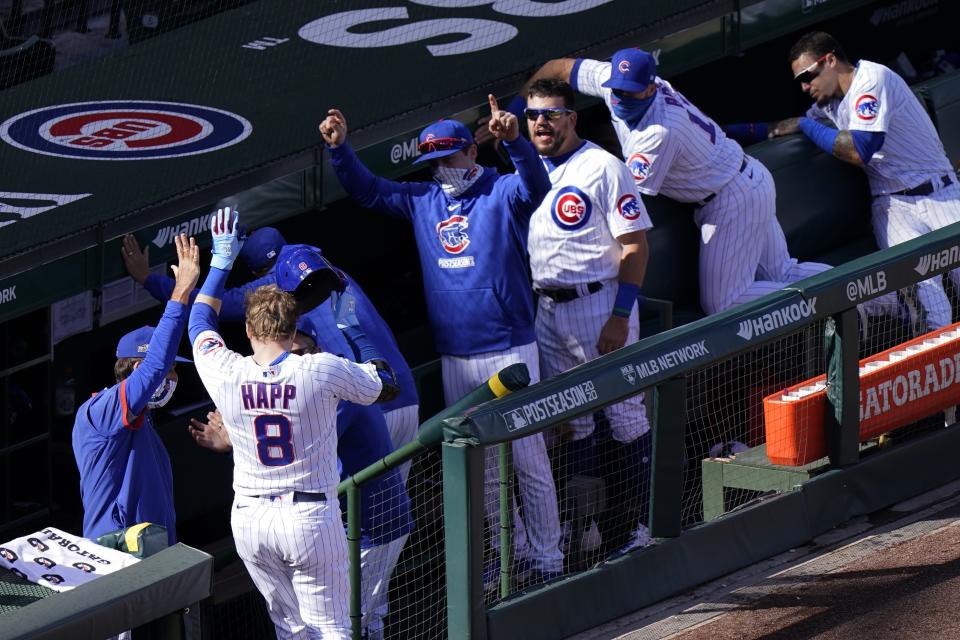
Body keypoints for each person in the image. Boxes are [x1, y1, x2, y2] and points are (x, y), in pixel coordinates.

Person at [320, 100, 564, 582]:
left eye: (448, 158)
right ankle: (506, 557)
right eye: (433, 162)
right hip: (455, 355)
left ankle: (549, 559)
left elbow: (538, 186)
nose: (441, 170)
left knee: (529, 459)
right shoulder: (421, 198)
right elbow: (367, 191)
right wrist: (340, 150)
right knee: (486, 469)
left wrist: (514, 141)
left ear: (473, 152)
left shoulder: (502, 190)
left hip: (509, 347)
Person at [188, 207, 395, 639]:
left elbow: (198, 321)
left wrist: (221, 261)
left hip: (249, 520)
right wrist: (351, 325)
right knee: (333, 629)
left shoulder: (227, 370)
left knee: (291, 632)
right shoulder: (318, 368)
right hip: (309, 517)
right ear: (293, 326)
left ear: (247, 329)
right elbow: (386, 384)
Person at [524, 48, 836, 315]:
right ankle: (856, 297)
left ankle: (838, 300)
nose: (619, 97)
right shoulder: (612, 82)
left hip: (731, 198)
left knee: (724, 303)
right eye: (616, 89)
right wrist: (514, 110)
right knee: (782, 272)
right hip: (744, 177)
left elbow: (621, 192)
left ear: (649, 88)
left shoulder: (659, 131)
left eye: (629, 91)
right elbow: (560, 68)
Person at [124, 228, 421, 483]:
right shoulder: (328, 273)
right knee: (386, 505)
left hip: (362, 408)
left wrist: (149, 279)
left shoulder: (276, 290)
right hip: (400, 393)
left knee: (355, 509)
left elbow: (213, 306)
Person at [190, 315, 413, 640]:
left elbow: (294, 457)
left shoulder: (330, 393)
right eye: (290, 354)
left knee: (352, 622)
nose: (296, 360)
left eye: (302, 351)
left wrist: (233, 441)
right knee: (360, 620)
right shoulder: (318, 384)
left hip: (373, 527)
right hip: (355, 523)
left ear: (316, 349)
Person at [524, 78, 655, 553]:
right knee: (573, 422)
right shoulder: (525, 168)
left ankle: (642, 524)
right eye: (534, 115)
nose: (542, 122)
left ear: (571, 118)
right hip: (548, 309)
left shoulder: (603, 167)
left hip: (599, 302)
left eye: (552, 114)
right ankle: (586, 530)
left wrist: (620, 315)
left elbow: (636, 245)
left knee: (623, 415)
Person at [770, 31, 960, 331]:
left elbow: (859, 150)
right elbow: (774, 131)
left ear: (830, 60)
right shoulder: (826, 106)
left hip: (941, 193)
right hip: (893, 207)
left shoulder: (872, 78)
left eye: (807, 76)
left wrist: (806, 125)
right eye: (800, 81)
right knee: (929, 312)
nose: (805, 86)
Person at [72, 233, 198, 546]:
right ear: (139, 368)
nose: (173, 377)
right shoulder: (100, 411)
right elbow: (155, 366)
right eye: (171, 369)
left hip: (150, 560)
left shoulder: (144, 423)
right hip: (116, 560)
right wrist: (180, 291)